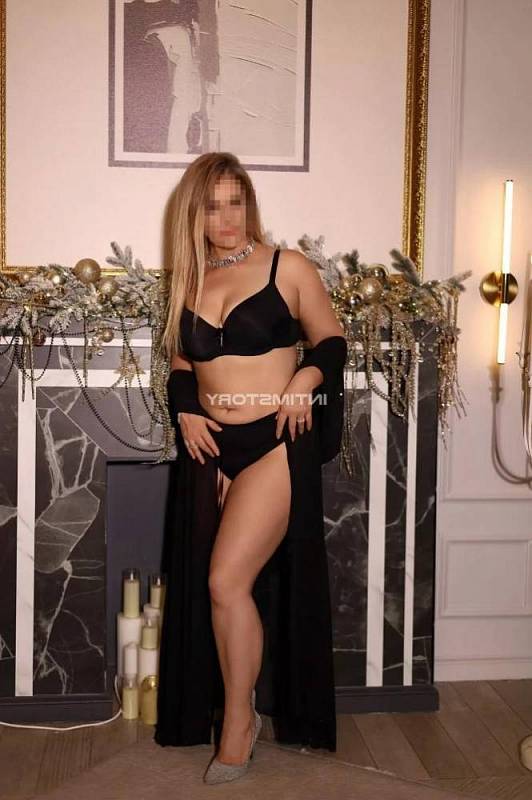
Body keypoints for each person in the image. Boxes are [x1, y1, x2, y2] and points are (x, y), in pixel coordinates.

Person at [154, 151, 347, 784]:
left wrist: (307, 380)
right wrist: (186, 410)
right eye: (212, 206)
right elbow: (183, 364)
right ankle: (234, 712)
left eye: (235, 202)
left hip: (272, 442)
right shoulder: (188, 279)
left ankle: (239, 722)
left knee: (224, 581)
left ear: (249, 204)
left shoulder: (287, 267)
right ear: (195, 214)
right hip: (211, 447)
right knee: (215, 586)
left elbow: (331, 340)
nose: (226, 217)